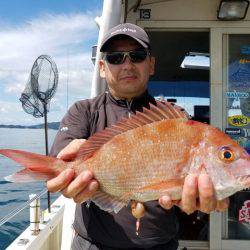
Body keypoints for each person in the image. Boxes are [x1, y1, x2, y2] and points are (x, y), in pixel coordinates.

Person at [47, 23, 229, 250]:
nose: (127, 64)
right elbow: (61, 155)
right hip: (94, 244)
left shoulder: (174, 119)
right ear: (102, 68)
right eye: (116, 58)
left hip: (160, 245)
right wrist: (66, 168)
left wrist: (197, 200)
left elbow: (181, 191)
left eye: (137, 56)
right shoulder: (83, 111)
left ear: (151, 64)